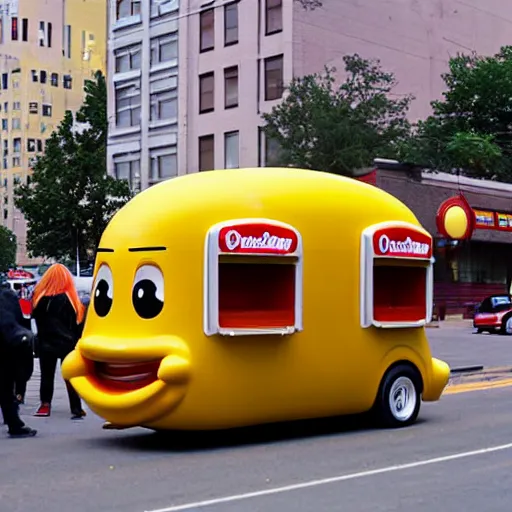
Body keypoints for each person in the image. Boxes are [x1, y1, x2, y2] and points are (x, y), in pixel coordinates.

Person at [31, 263, 87, 420]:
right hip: (67, 343)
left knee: (46, 375)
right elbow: (77, 325)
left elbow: (36, 319)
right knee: (70, 375)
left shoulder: (39, 299)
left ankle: (45, 405)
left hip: (45, 343)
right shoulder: (71, 300)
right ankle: (76, 407)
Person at [0, 286, 37, 438]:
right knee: (6, 388)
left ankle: (14, 423)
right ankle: (14, 424)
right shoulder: (7, 296)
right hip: (5, 349)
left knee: (5, 388)